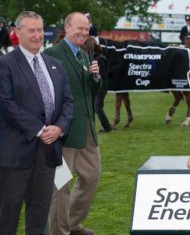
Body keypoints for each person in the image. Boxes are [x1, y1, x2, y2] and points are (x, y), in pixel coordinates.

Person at [0, 10, 73, 235]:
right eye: (31, 30)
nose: (37, 35)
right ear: (17, 33)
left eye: (40, 30)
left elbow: (68, 102)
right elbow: (5, 103)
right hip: (15, 155)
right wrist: (40, 130)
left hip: (48, 153)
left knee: (40, 214)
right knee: (7, 215)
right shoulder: (6, 63)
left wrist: (59, 127)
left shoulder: (55, 64)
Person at [44, 12, 101, 235]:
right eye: (80, 28)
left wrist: (96, 78)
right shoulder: (52, 54)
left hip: (87, 130)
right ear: (67, 27)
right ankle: (60, 231)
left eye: (87, 29)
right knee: (61, 185)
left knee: (92, 176)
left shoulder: (85, 55)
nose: (84, 33)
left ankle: (73, 224)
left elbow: (89, 92)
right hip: (63, 131)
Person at [83, 36, 113, 132]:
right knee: (95, 108)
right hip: (96, 87)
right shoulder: (94, 58)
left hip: (101, 88)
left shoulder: (100, 59)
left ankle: (107, 127)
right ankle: (102, 126)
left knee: (97, 108)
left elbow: (103, 77)